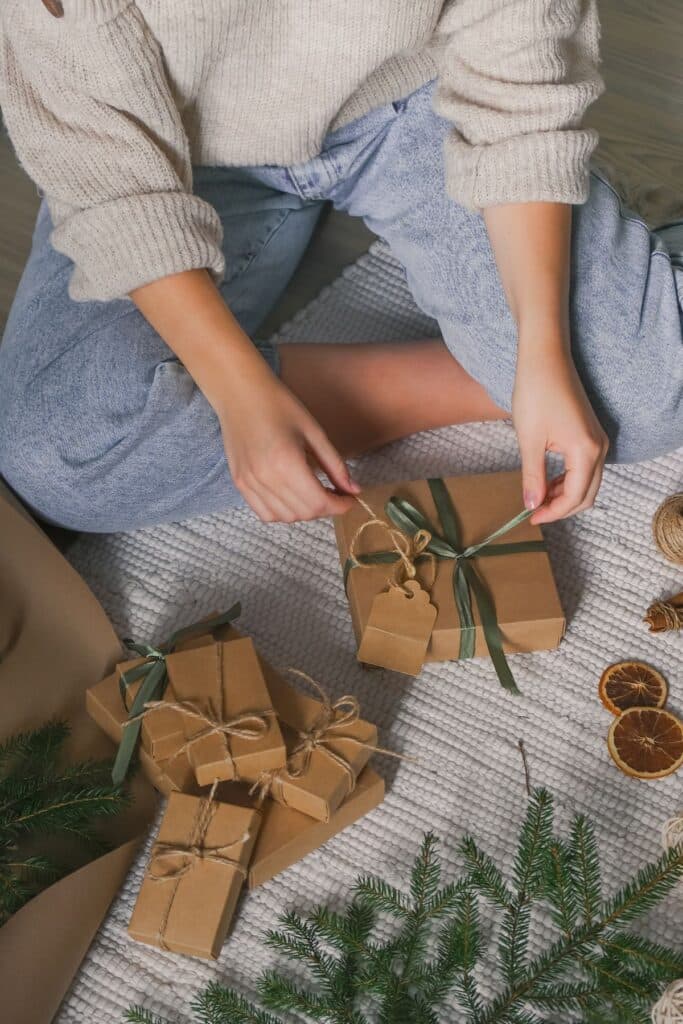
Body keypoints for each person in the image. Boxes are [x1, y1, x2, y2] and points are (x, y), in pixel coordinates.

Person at [0, 0, 680, 534]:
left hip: (420, 93)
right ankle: (505, 369)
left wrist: (541, 346)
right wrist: (237, 393)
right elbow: (110, 174)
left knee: (644, 401)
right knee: (58, 457)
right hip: (171, 149)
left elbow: (518, 50)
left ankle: (542, 356)